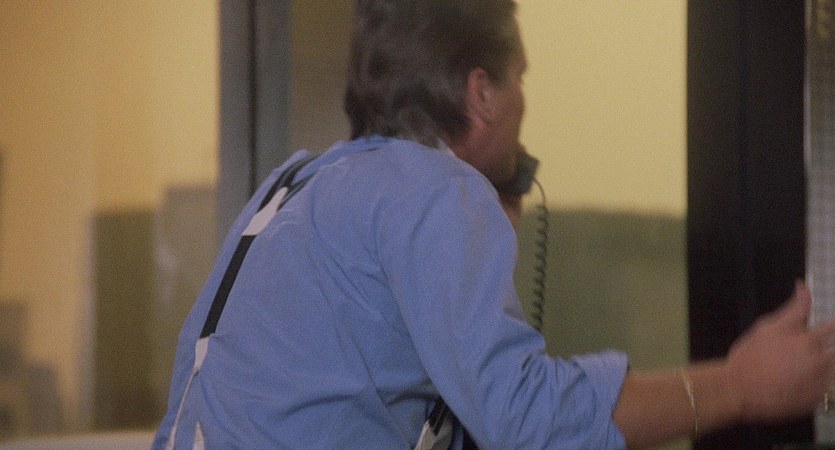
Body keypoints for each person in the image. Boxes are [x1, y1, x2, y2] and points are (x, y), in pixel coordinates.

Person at [154, 1, 835, 448]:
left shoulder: (292, 184)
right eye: (519, 78)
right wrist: (740, 385)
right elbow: (524, 418)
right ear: (480, 93)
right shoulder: (434, 189)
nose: (522, 103)